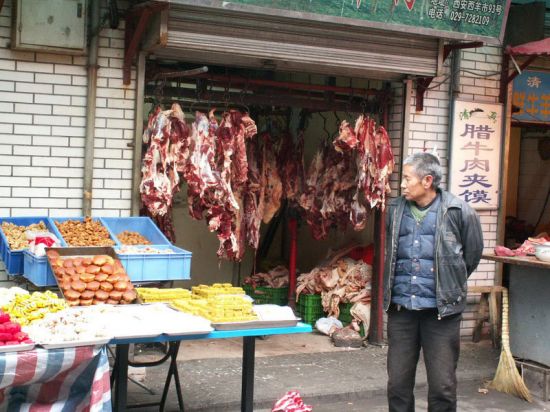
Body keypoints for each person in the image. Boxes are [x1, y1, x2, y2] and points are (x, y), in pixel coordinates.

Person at [383, 152, 484, 412]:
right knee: (397, 385)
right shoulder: (395, 210)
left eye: (407, 178)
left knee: (443, 388)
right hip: (402, 311)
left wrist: (448, 286)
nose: (402, 184)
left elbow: (470, 258)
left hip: (442, 315)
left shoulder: (459, 211)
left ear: (427, 180)